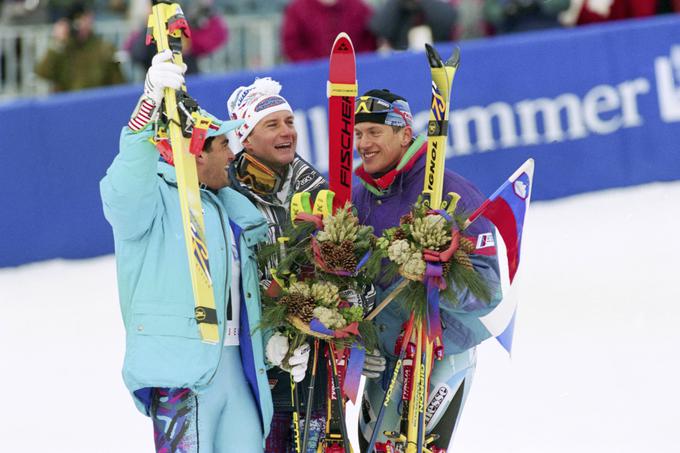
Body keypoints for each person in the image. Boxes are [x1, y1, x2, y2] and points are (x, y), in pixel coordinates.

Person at [100, 50, 282, 452]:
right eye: (224, 144)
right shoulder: (151, 198)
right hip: (182, 372)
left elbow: (246, 291)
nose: (233, 154)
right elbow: (123, 190)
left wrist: (271, 341)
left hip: (239, 372)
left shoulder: (231, 207)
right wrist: (147, 107)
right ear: (197, 152)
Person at [351, 89, 502, 451]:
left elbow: (489, 292)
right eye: (358, 134)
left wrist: (438, 279)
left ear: (405, 134)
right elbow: (350, 285)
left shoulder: (452, 193)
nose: (364, 143)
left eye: (374, 132)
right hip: (385, 358)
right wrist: (360, 343)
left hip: (441, 354)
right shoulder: (358, 198)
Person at [226, 77, 328, 452]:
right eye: (272, 124)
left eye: (289, 122)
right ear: (246, 138)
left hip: (314, 359)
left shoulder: (314, 187)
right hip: (251, 363)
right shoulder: (225, 192)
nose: (287, 131)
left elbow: (346, 264)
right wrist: (269, 338)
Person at [35, 2, 124, 92]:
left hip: (98, 101)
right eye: (77, 20)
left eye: (84, 18)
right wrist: (57, 43)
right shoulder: (62, 49)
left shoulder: (105, 48)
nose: (81, 24)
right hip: (69, 102)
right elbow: (43, 73)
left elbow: (118, 83)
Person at [281, 0, 377, 62]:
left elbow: (370, 39)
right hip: (312, 76)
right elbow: (292, 45)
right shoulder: (297, 10)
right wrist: (317, 66)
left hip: (355, 74)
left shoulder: (359, 8)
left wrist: (355, 63)